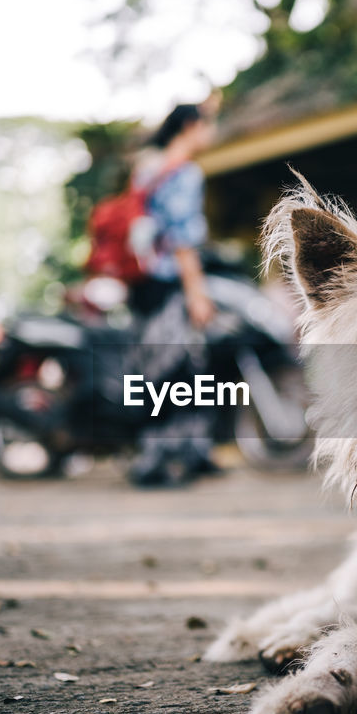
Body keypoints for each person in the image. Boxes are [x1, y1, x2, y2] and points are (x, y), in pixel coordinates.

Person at [126, 103, 221, 486]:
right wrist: (197, 293)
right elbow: (183, 241)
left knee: (159, 367)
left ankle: (189, 452)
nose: (211, 135)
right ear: (191, 126)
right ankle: (157, 459)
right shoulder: (183, 172)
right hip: (170, 285)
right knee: (174, 370)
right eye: (209, 126)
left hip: (141, 283)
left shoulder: (147, 169)